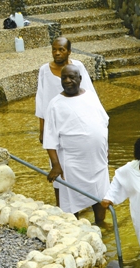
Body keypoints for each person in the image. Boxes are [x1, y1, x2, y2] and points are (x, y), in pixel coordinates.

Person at [43, 64, 109, 224]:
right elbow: (49, 138)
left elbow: (104, 122)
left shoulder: (91, 96)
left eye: (72, 77)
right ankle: (75, 232)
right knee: (72, 203)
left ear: (80, 79)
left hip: (97, 162)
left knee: (101, 197)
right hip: (72, 164)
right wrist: (56, 165)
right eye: (64, 77)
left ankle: (101, 227)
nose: (67, 81)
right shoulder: (55, 104)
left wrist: (107, 150)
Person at [36, 37, 96, 206]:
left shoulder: (77, 68)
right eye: (54, 49)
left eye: (61, 50)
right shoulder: (44, 71)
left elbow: (89, 95)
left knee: (80, 164)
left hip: (77, 124)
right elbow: (41, 100)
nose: (57, 53)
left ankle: (84, 200)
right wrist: (42, 129)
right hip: (54, 125)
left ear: (69, 51)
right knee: (57, 164)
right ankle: (61, 204)